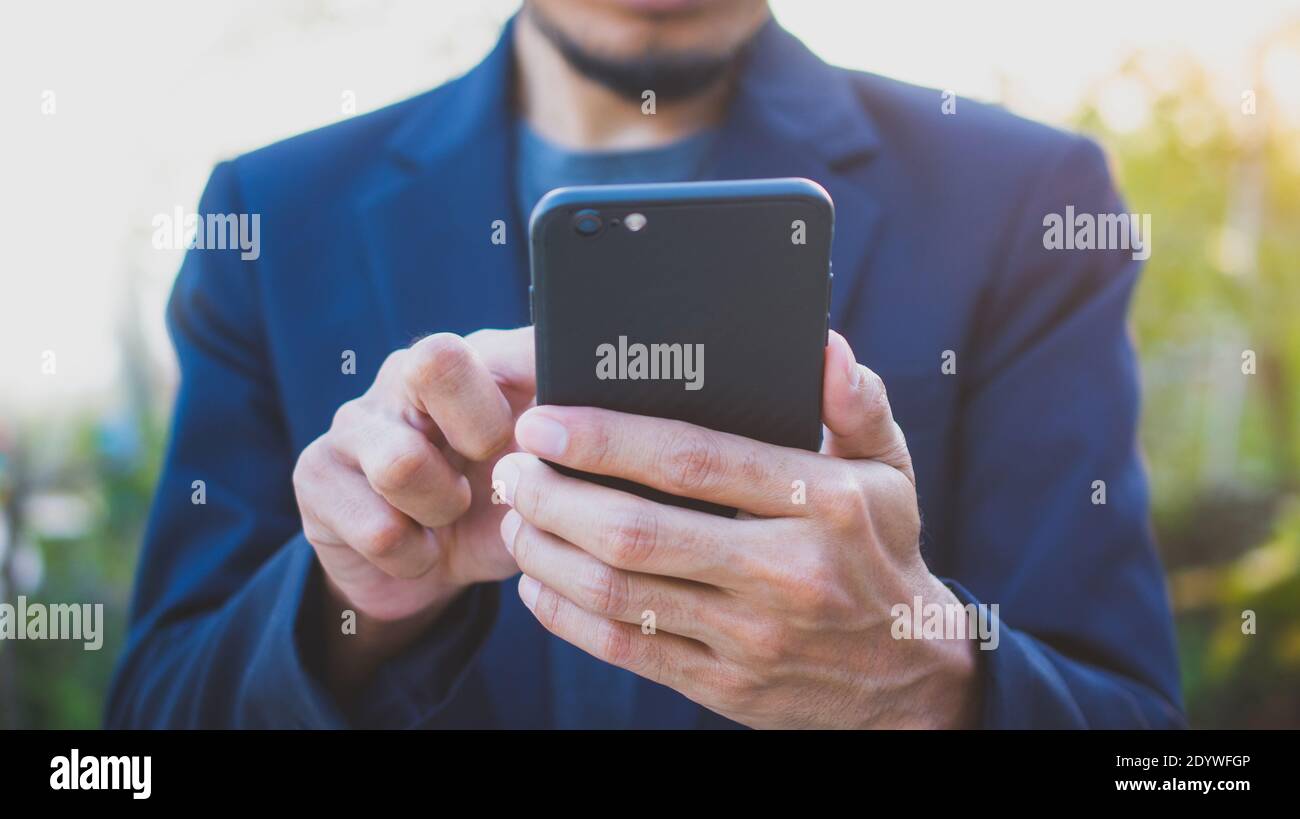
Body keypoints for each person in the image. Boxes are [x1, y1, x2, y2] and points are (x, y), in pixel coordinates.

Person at [107, 0, 1184, 728]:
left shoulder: (1024, 198)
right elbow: (136, 734)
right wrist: (348, 609)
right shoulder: (275, 213)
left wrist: (926, 676)